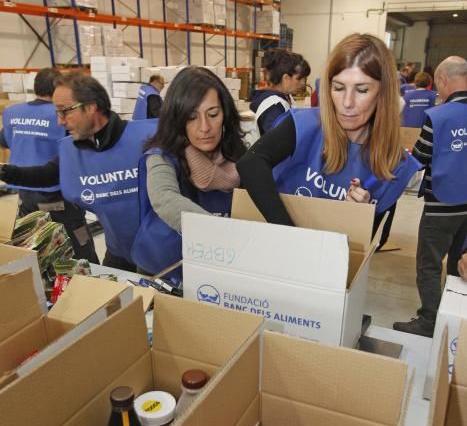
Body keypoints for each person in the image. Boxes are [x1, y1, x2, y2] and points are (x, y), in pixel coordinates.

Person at [236, 33, 420, 230]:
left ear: (383, 93)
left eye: (362, 90)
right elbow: (251, 163)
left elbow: (376, 239)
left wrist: (362, 215)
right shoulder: (305, 124)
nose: (347, 103)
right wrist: (289, 232)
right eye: (339, 88)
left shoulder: (395, 163)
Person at [0, 72, 156, 270]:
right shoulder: (75, 149)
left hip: (157, 253)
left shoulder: (147, 139)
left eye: (64, 111)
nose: (60, 122)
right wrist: (4, 172)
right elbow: (47, 174)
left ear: (90, 107)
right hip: (118, 252)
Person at [131, 66, 247, 274]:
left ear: (225, 114)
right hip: (166, 271)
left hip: (218, 267)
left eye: (213, 114)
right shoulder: (161, 156)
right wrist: (226, 235)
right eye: (192, 117)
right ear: (177, 119)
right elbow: (164, 198)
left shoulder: (239, 154)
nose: (204, 127)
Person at [394, 56, 467, 337]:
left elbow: (421, 157)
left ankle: (429, 321)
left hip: (441, 205)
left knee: (429, 263)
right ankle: (453, 315)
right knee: (459, 262)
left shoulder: (439, 116)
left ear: (444, 80)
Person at [0, 67, 97, 261]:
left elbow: (4, 141)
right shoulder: (61, 114)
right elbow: (77, 148)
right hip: (56, 195)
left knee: (35, 241)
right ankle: (90, 281)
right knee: (79, 242)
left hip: (25, 193)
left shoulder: (12, 112)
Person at [250, 49, 310, 135]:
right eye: (299, 79)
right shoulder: (274, 107)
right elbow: (276, 142)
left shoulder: (285, 97)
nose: (303, 83)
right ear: (285, 78)